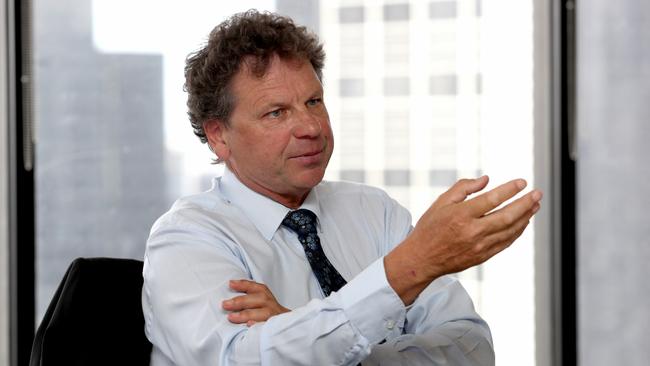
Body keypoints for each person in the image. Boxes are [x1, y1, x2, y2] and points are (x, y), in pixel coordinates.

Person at [142, 10, 542, 366]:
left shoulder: (374, 210)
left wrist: (301, 329)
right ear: (219, 136)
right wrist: (406, 270)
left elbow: (471, 347)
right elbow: (240, 359)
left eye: (314, 102)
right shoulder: (186, 239)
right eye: (276, 112)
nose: (311, 128)